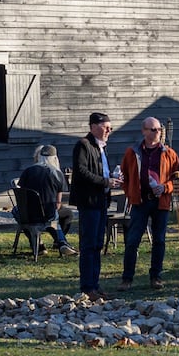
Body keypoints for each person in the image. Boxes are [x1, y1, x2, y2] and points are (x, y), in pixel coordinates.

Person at [119, 118, 179, 291]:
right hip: (140, 202)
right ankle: (127, 278)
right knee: (132, 241)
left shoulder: (169, 153)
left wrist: (165, 187)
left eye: (159, 129)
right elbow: (124, 176)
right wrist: (130, 193)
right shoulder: (133, 152)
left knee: (159, 240)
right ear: (144, 131)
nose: (157, 133)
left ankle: (156, 277)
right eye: (152, 129)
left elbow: (177, 177)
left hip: (161, 202)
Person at [70, 112, 121, 299]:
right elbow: (81, 172)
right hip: (89, 202)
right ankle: (87, 286)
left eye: (110, 127)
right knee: (89, 244)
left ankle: (95, 284)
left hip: (101, 202)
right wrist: (105, 182)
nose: (109, 130)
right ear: (93, 126)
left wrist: (112, 180)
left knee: (98, 244)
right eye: (105, 126)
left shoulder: (102, 147)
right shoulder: (83, 145)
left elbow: (102, 171)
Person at [15, 145, 77, 257]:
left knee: (16, 212)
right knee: (64, 214)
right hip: (48, 213)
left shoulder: (28, 171)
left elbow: (21, 192)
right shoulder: (57, 174)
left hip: (28, 214)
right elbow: (58, 203)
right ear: (55, 158)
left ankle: (38, 244)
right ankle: (60, 242)